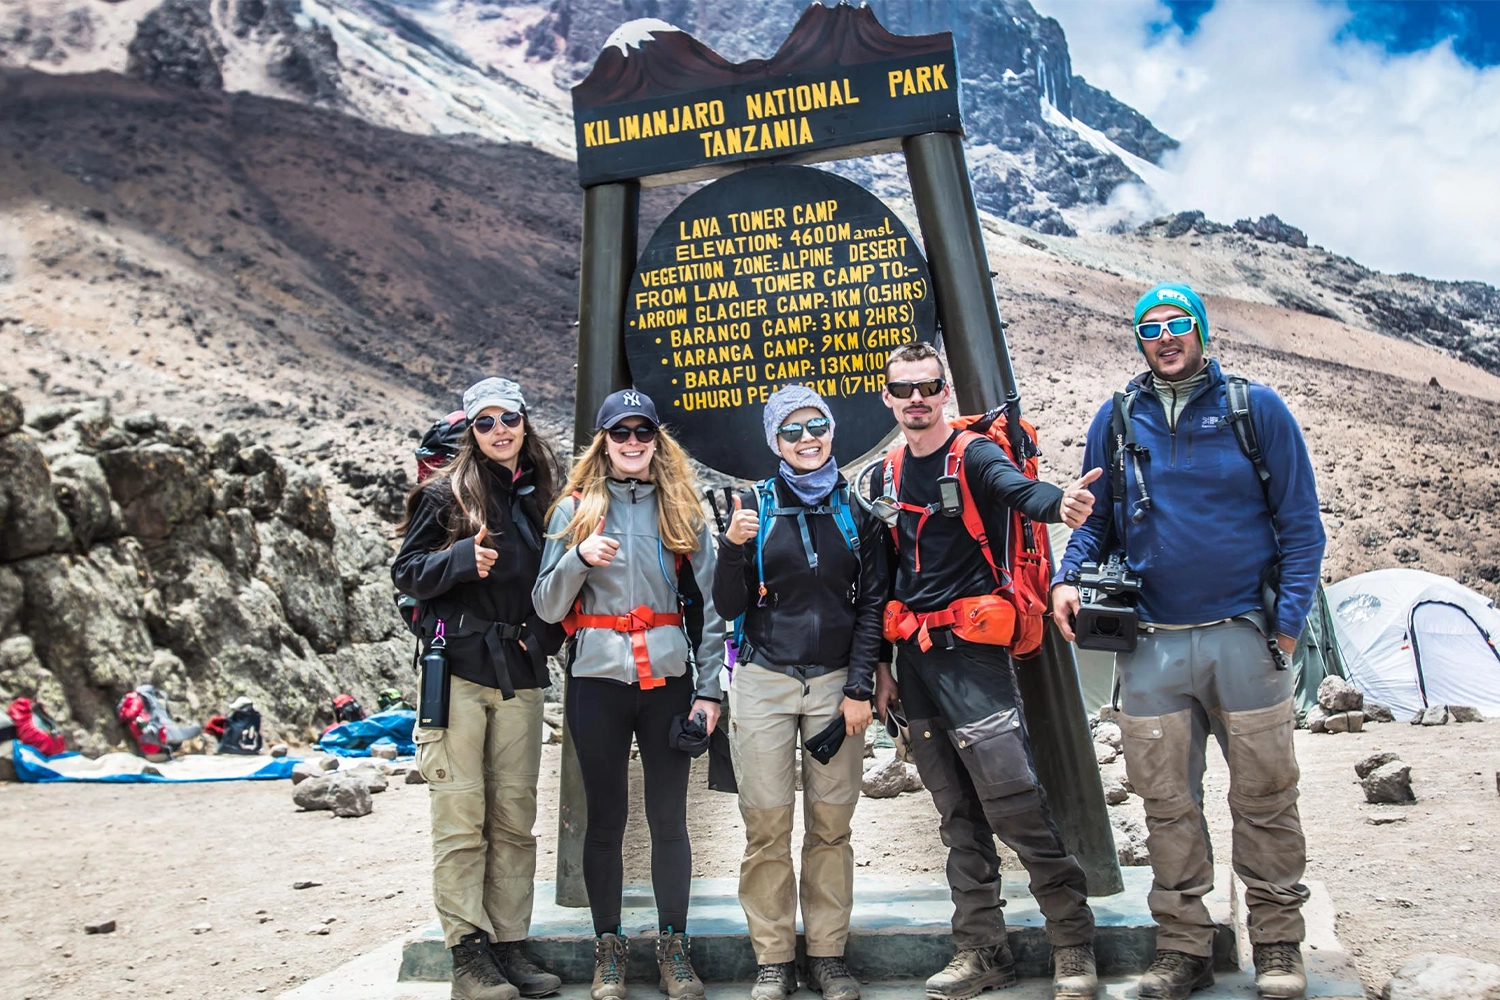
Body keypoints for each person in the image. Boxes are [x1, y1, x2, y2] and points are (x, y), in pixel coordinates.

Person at [1052, 284, 1325, 1000]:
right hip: (1151, 645)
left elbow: (1301, 525)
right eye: (1150, 327)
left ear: (1201, 331)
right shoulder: (1116, 418)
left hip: (1244, 636)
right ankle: (1182, 948)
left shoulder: (1252, 409)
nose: (1165, 336)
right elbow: (1094, 521)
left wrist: (1288, 629)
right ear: (1138, 339)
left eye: (1177, 324)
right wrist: (1066, 577)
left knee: (1265, 797)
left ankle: (1276, 946)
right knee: (1167, 804)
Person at [870, 342, 1102, 1000]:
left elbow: (1018, 491)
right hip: (915, 663)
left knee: (1015, 803)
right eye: (903, 388)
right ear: (887, 397)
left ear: (944, 392)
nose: (916, 399)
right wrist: (883, 668)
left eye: (927, 386)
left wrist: (1061, 506)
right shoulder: (884, 478)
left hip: (975, 655)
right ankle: (981, 949)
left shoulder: (973, 456)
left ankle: (1072, 942)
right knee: (955, 813)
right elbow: (883, 577)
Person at [532, 389, 725, 1000]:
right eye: (622, 433)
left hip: (669, 683)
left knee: (669, 820)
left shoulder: (682, 510)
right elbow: (545, 604)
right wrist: (578, 559)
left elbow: (715, 610)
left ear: (656, 439)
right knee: (605, 821)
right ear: (604, 441)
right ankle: (608, 949)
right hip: (597, 682)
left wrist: (711, 690)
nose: (634, 443)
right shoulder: (573, 510)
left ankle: (674, 947)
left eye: (644, 432)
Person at [393, 377, 566, 1000]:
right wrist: (460, 560)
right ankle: (469, 954)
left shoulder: (545, 497)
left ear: (525, 422)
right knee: (462, 815)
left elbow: (561, 583)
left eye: (508, 418)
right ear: (471, 429)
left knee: (515, 818)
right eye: (485, 421)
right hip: (459, 669)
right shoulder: (444, 496)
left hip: (520, 675)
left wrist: (542, 642)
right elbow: (406, 573)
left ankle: (510, 944)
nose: (499, 431)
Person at [712, 386, 887, 1000]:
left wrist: (861, 686)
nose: (807, 438)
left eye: (817, 426)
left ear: (832, 431)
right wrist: (732, 549)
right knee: (766, 825)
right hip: (763, 680)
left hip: (836, 685)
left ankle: (828, 954)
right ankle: (773, 958)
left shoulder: (858, 514)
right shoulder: (752, 510)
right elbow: (728, 606)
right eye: (792, 431)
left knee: (831, 824)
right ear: (773, 442)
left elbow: (872, 608)